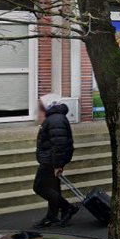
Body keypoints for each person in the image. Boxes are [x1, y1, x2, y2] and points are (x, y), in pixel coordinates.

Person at [33, 93, 78, 228]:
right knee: (53, 188)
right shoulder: (55, 118)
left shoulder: (55, 120)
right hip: (52, 159)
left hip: (50, 161)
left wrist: (57, 165)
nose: (39, 110)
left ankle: (67, 208)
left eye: (41, 107)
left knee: (40, 187)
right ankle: (52, 216)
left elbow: (59, 143)